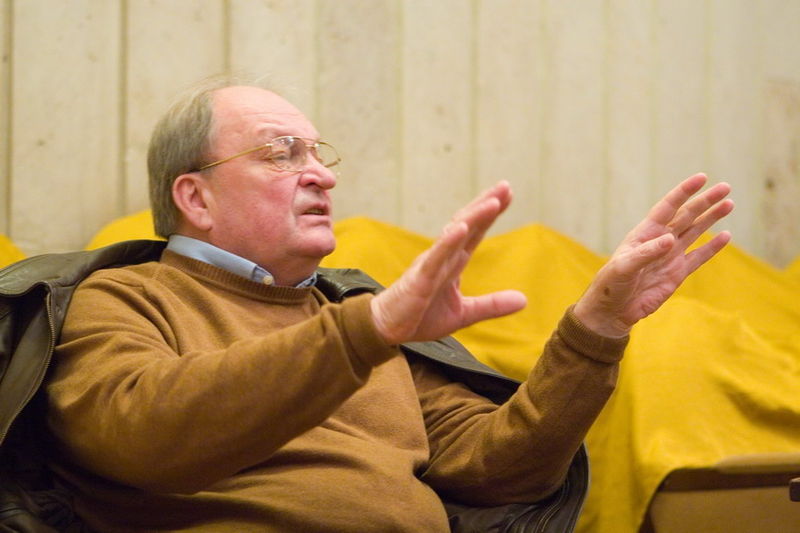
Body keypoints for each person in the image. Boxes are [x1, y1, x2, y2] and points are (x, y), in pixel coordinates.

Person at [44, 76, 734, 532]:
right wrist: (365, 330)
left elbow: (502, 469)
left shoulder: (352, 318)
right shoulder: (122, 299)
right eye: (282, 154)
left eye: (319, 155)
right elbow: (142, 436)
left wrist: (596, 328)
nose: (320, 175)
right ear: (195, 197)